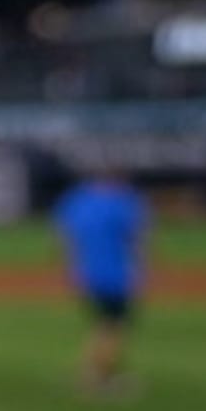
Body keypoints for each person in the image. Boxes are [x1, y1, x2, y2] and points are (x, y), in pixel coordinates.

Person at [53, 166, 150, 398]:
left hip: (87, 272)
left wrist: (72, 268)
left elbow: (65, 237)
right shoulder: (125, 202)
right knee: (113, 326)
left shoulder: (77, 200)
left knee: (102, 324)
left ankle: (90, 372)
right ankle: (98, 379)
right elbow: (136, 239)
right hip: (116, 274)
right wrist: (142, 269)